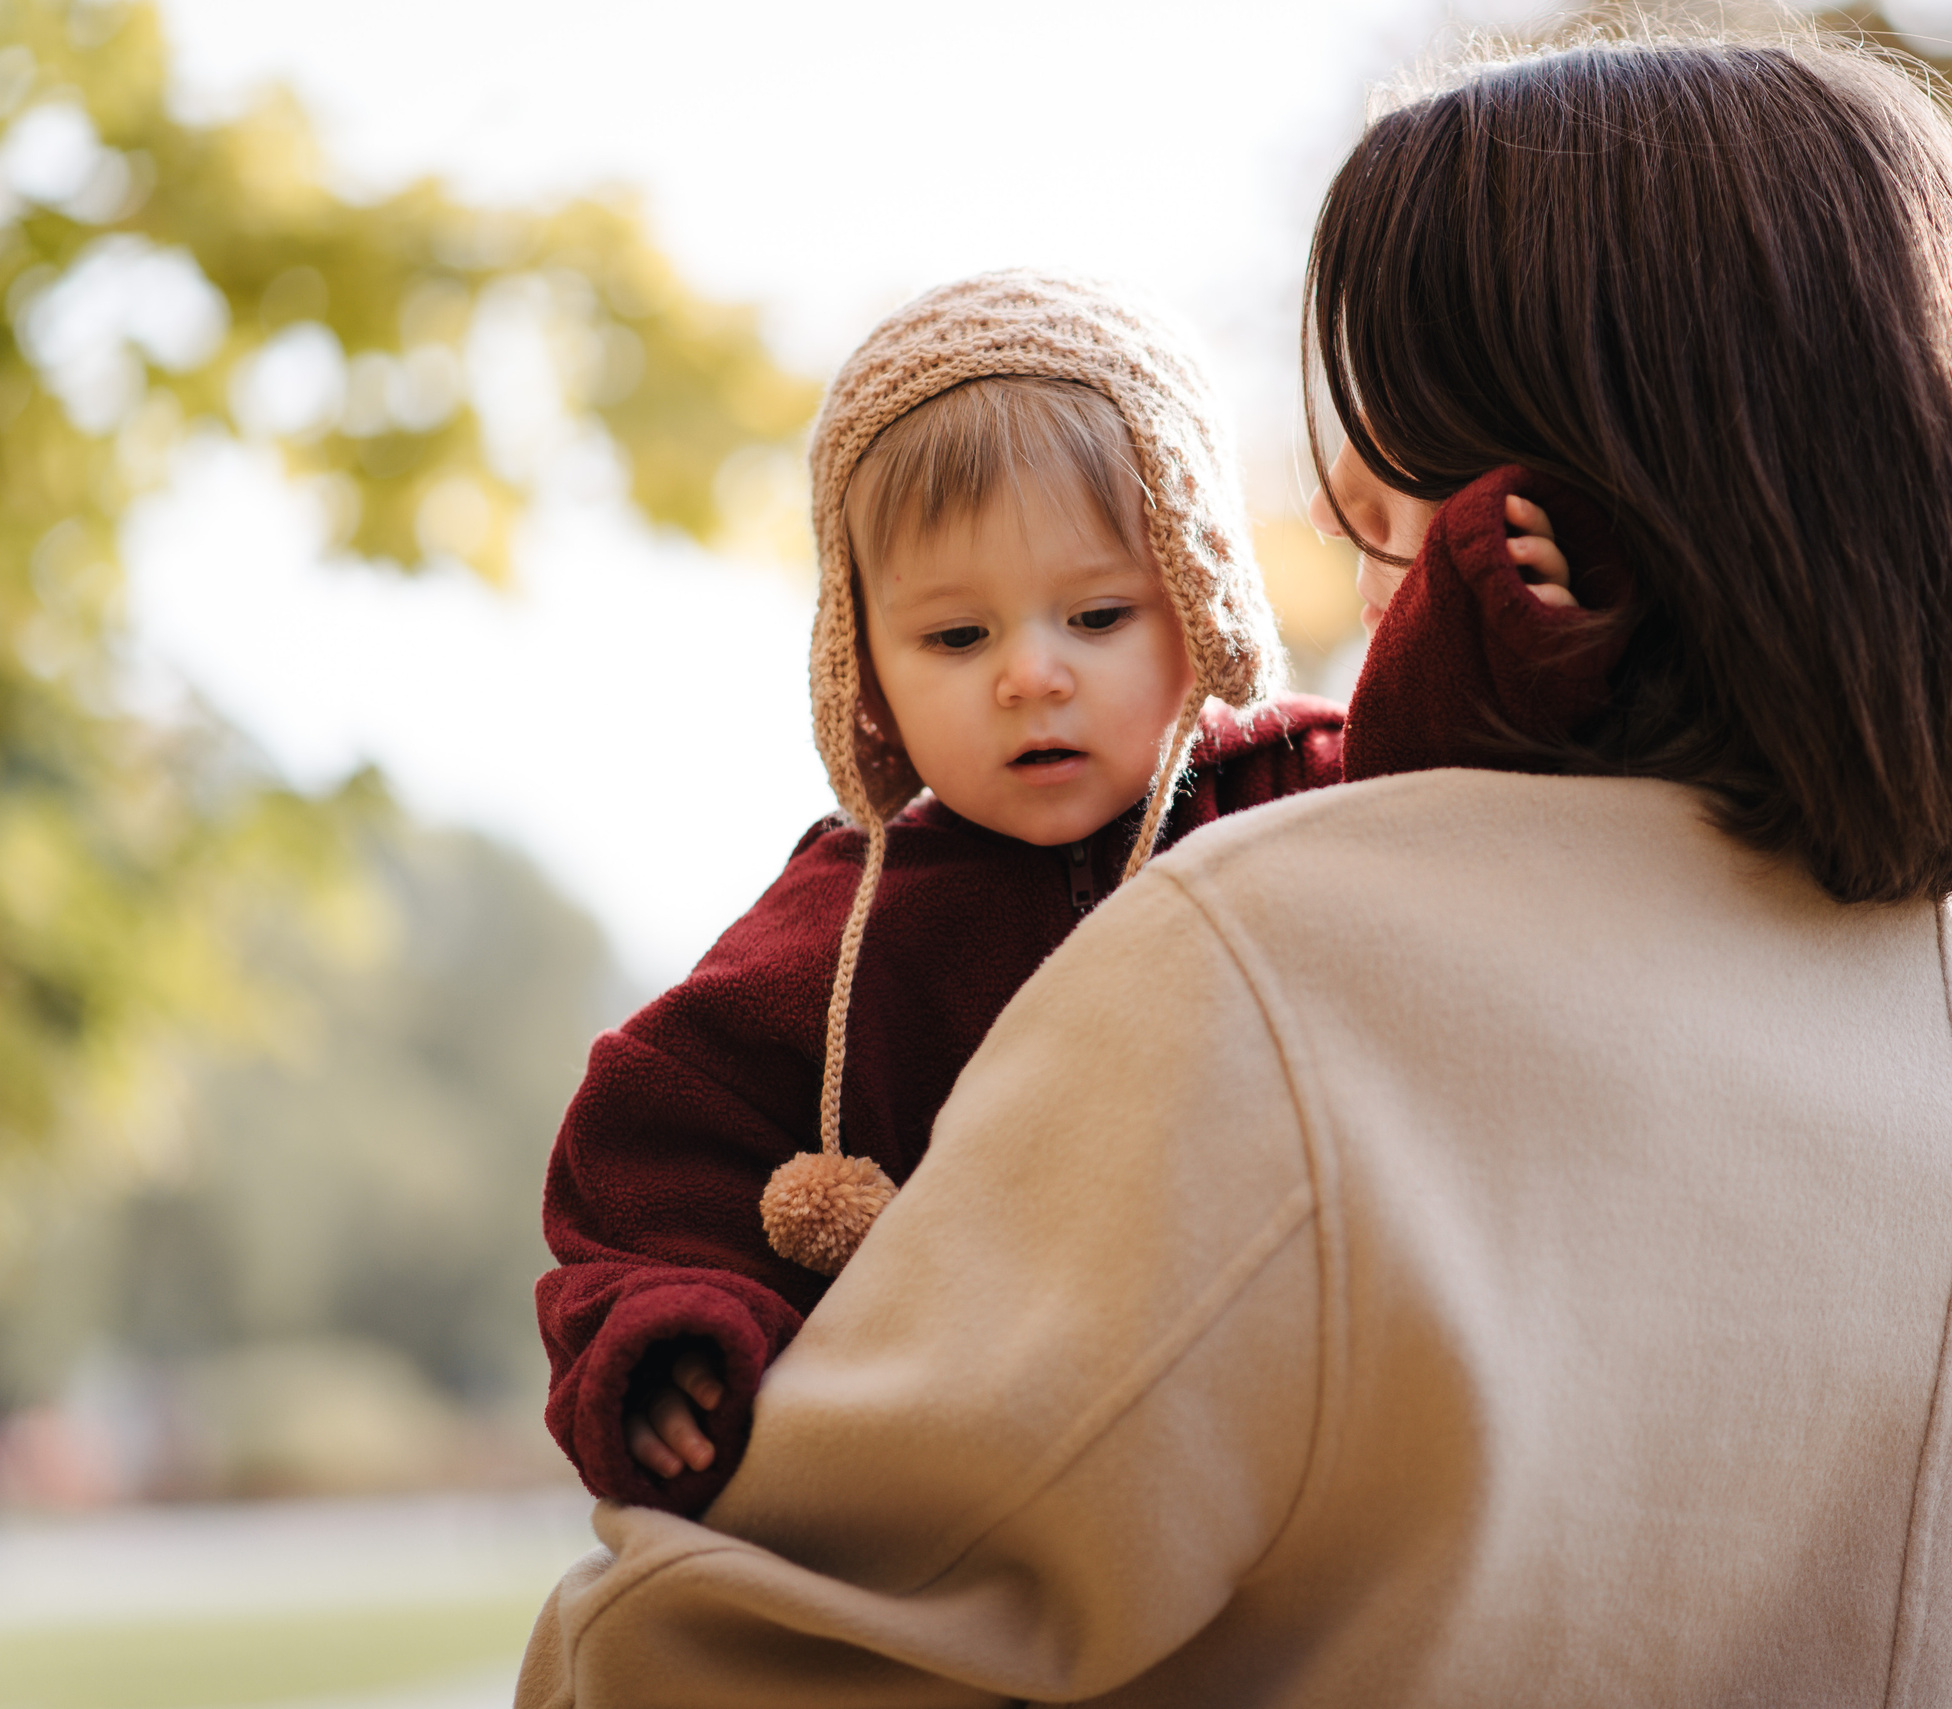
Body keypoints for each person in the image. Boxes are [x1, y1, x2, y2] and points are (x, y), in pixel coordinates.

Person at [519, 33, 1952, 1709]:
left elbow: (730, 1645)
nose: (1344, 524)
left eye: (1391, 468)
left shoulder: (1268, 968)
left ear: (1540, 501)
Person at [534, 269, 1586, 1514]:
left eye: (1096, 614)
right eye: (955, 638)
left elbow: (1463, 792)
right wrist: (670, 1335)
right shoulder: (840, 933)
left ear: (1199, 605)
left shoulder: (1300, 787)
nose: (1031, 675)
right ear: (862, 662)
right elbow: (649, 1155)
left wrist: (1495, 616)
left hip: (1310, 1400)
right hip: (999, 1462)